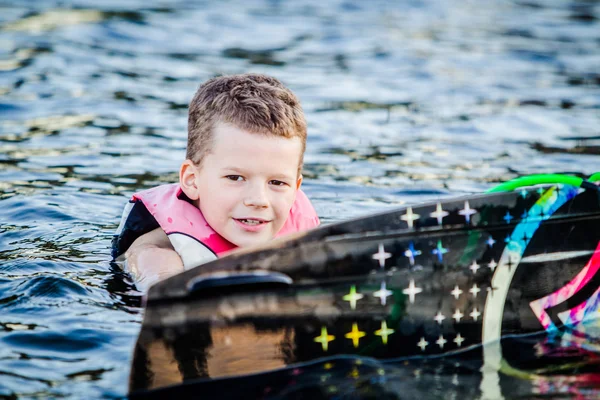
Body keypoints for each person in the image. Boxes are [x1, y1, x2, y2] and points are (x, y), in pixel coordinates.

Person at [112, 74, 320, 290]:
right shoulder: (159, 250)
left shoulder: (305, 240)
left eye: (277, 182)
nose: (259, 200)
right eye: (235, 178)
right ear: (193, 180)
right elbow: (158, 286)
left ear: (296, 189)